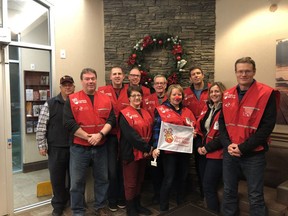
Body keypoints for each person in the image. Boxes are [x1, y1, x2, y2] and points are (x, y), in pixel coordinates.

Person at [219, 57, 279, 216]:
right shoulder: (227, 94)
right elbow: (222, 124)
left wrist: (242, 148)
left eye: (247, 71)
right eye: (240, 71)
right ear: (236, 73)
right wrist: (228, 146)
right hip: (230, 153)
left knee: (255, 196)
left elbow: (267, 127)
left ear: (254, 72)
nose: (243, 74)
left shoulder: (266, 94)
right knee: (229, 192)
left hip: (253, 155)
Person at [63, 68, 116, 216]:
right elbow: (68, 123)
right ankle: (78, 211)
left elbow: (111, 119)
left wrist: (99, 135)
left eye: (93, 78)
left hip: (100, 146)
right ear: (81, 81)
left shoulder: (106, 98)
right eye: (87, 79)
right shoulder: (72, 99)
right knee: (77, 182)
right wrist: (88, 137)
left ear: (96, 79)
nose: (90, 81)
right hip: (79, 148)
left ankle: (100, 206)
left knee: (102, 179)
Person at [152, 84, 196, 212]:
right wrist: (156, 147)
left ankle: (180, 204)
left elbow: (195, 126)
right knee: (169, 179)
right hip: (168, 152)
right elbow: (156, 130)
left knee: (183, 177)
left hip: (184, 151)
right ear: (169, 96)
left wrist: (194, 132)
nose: (177, 97)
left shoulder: (187, 111)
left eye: (179, 94)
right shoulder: (160, 109)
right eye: (174, 94)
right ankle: (163, 207)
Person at [36, 75, 75, 216]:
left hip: (75, 147)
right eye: (65, 85)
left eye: (70, 84)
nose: (67, 87)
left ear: (74, 86)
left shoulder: (77, 102)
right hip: (56, 148)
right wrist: (41, 145)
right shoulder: (50, 103)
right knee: (57, 179)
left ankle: (74, 203)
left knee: (75, 179)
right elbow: (41, 126)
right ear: (60, 87)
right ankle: (58, 205)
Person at [119, 86, 153, 216]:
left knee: (139, 180)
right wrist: (148, 148)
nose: (137, 98)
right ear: (129, 98)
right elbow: (131, 136)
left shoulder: (146, 113)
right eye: (133, 96)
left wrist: (147, 149)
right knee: (131, 183)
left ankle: (138, 205)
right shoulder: (124, 114)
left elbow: (149, 133)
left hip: (143, 153)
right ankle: (130, 209)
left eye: (139, 95)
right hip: (131, 154)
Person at [98, 66, 128, 212]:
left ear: (124, 76)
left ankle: (123, 198)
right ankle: (112, 199)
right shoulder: (102, 91)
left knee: (124, 167)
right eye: (114, 74)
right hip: (109, 137)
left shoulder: (130, 91)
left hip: (126, 136)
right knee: (111, 170)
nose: (117, 76)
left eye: (119, 74)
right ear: (110, 77)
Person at [196, 82, 226, 213]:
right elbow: (200, 129)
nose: (214, 94)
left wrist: (207, 148)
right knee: (205, 184)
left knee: (209, 186)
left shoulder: (226, 109)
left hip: (217, 154)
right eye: (212, 92)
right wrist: (199, 146)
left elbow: (224, 136)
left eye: (217, 91)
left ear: (223, 93)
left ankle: (213, 213)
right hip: (203, 153)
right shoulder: (207, 107)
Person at [183, 66, 211, 199]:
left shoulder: (212, 90)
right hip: (191, 134)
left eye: (198, 73)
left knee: (207, 164)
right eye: (193, 74)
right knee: (196, 164)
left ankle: (209, 192)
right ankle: (201, 193)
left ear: (203, 75)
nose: (196, 76)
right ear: (190, 78)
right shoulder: (186, 92)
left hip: (209, 134)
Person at [142, 74, 167, 204]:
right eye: (157, 83)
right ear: (153, 85)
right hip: (153, 139)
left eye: (162, 83)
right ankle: (157, 194)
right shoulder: (146, 100)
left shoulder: (172, 97)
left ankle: (165, 194)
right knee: (155, 169)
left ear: (166, 84)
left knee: (167, 169)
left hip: (169, 140)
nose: (159, 85)